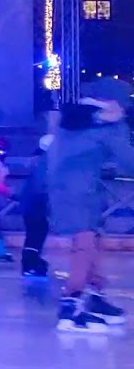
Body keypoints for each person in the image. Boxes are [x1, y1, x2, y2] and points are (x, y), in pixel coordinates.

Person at [49, 78, 134, 333]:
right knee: (85, 242)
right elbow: (128, 161)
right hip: (80, 191)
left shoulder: (76, 117)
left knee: (90, 239)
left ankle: (94, 297)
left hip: (62, 187)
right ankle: (71, 304)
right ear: (113, 101)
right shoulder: (110, 124)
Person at [20, 133, 53, 278]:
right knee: (37, 232)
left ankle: (31, 261)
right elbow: (43, 185)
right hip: (36, 203)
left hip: (31, 202)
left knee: (35, 232)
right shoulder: (46, 162)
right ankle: (30, 264)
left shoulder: (38, 160)